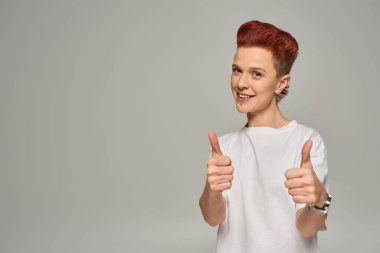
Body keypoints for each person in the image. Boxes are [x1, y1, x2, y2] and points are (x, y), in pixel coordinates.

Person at [199, 20, 332, 253]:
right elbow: (213, 218)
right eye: (236, 70)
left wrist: (319, 202)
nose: (241, 83)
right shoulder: (225, 146)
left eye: (256, 74)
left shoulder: (306, 142)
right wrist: (212, 190)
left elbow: (307, 228)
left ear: (281, 83)